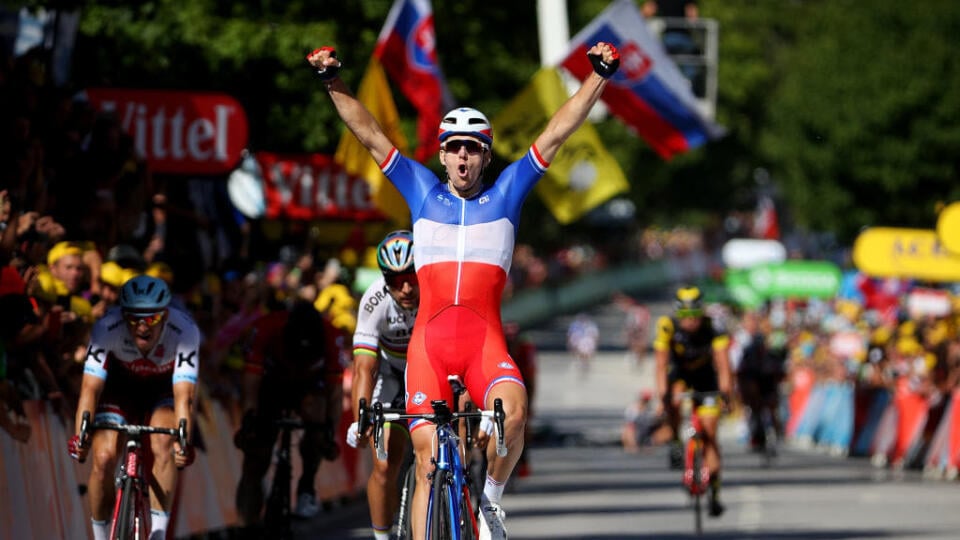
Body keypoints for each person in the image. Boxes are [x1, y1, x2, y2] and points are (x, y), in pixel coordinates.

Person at [307, 40, 620, 539]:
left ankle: (492, 502)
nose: (462, 156)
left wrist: (598, 77)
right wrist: (332, 82)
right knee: (429, 459)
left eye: (472, 147)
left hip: (483, 345)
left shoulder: (508, 192)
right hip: (428, 349)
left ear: (486, 155)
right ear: (442, 153)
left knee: (514, 416)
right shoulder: (420, 189)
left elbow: (558, 131)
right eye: (453, 146)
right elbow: (368, 134)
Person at [67, 275, 199, 540]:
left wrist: (184, 442)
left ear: (165, 314)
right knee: (103, 458)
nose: (141, 327)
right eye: (134, 318)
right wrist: (80, 435)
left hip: (163, 391)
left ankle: (158, 533)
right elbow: (90, 389)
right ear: (123, 315)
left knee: (164, 443)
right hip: (118, 388)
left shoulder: (184, 332)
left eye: (151, 318)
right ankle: (100, 536)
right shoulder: (107, 327)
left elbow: (184, 395)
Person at [233, 298, 342, 530]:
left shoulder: (331, 336)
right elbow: (250, 384)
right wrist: (248, 421)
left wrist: (329, 435)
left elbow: (335, 393)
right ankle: (247, 525)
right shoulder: (265, 327)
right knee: (256, 458)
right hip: (272, 383)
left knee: (317, 421)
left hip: (310, 386)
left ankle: (307, 483)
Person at [347, 230, 419, 540]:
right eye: (394, 279)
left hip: (432, 368)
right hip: (391, 375)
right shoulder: (374, 301)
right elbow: (364, 368)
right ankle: (382, 537)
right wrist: (360, 418)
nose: (405, 287)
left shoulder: (437, 289)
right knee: (385, 462)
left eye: (411, 277)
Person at [653, 285, 732, 517]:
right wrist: (663, 396)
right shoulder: (667, 326)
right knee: (674, 401)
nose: (690, 322)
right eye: (685, 317)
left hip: (707, 378)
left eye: (695, 316)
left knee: (709, 433)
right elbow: (660, 366)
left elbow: (724, 366)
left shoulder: (714, 327)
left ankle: (715, 494)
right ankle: (676, 441)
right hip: (680, 376)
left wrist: (726, 394)